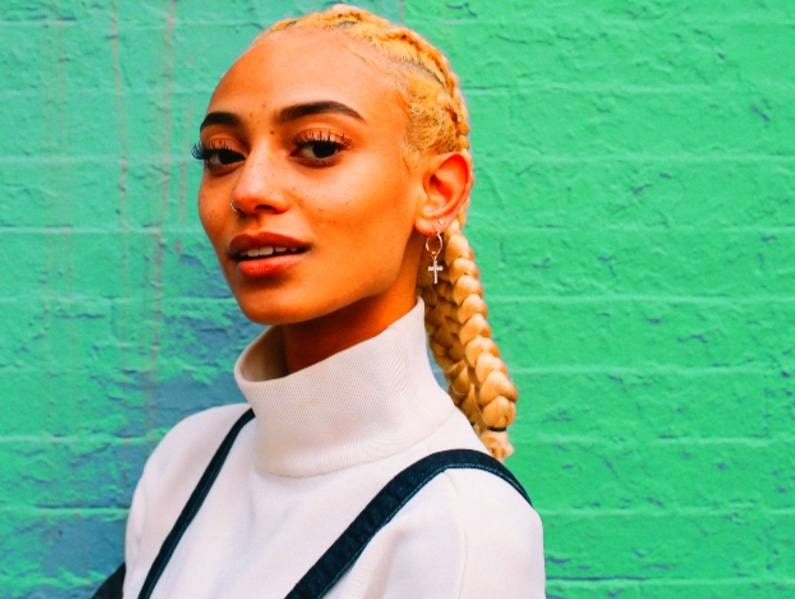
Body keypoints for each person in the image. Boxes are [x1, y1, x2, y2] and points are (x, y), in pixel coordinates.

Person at [109, 4, 544, 597]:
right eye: (222, 155)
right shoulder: (186, 459)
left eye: (316, 148)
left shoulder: (462, 524)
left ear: (438, 192)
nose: (249, 189)